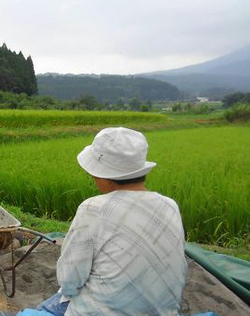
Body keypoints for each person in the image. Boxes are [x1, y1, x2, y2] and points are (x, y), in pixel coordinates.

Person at [38, 127, 187, 315]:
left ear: (105, 177)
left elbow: (69, 279)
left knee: (48, 306)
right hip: (163, 311)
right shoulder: (170, 205)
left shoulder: (92, 208)